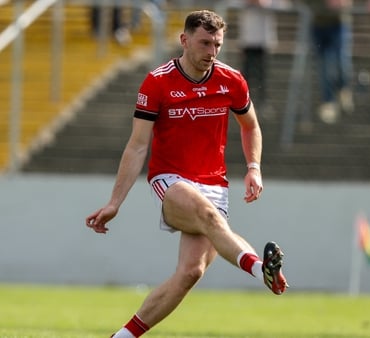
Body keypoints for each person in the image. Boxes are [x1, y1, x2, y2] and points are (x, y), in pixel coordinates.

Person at [85, 10, 288, 338]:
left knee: (190, 272)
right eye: (205, 43)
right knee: (208, 216)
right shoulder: (158, 81)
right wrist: (115, 202)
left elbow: (250, 125)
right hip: (170, 180)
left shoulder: (231, 80)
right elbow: (137, 146)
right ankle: (259, 268)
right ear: (184, 40)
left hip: (214, 182)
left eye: (218, 45)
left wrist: (254, 168)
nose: (212, 51)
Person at [303, 0, 354, 124]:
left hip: (338, 24)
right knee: (324, 67)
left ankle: (344, 88)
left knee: (342, 62)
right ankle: (328, 101)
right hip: (318, 25)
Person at [237, 0, 289, 119]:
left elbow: (284, 5)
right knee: (246, 76)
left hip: (263, 42)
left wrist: (264, 3)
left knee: (263, 75)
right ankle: (243, 103)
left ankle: (262, 103)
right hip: (247, 41)